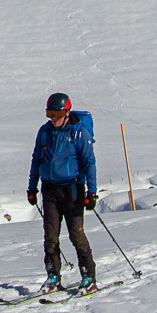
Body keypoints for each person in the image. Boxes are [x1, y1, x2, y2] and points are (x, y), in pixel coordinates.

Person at [27, 93, 97, 291]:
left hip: (72, 189)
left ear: (67, 112)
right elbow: (36, 160)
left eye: (57, 113)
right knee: (50, 236)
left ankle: (88, 276)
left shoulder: (78, 132)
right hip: (49, 189)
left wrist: (91, 192)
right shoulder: (44, 132)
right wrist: (32, 187)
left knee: (76, 234)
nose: (54, 118)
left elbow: (89, 162)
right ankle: (53, 276)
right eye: (50, 113)